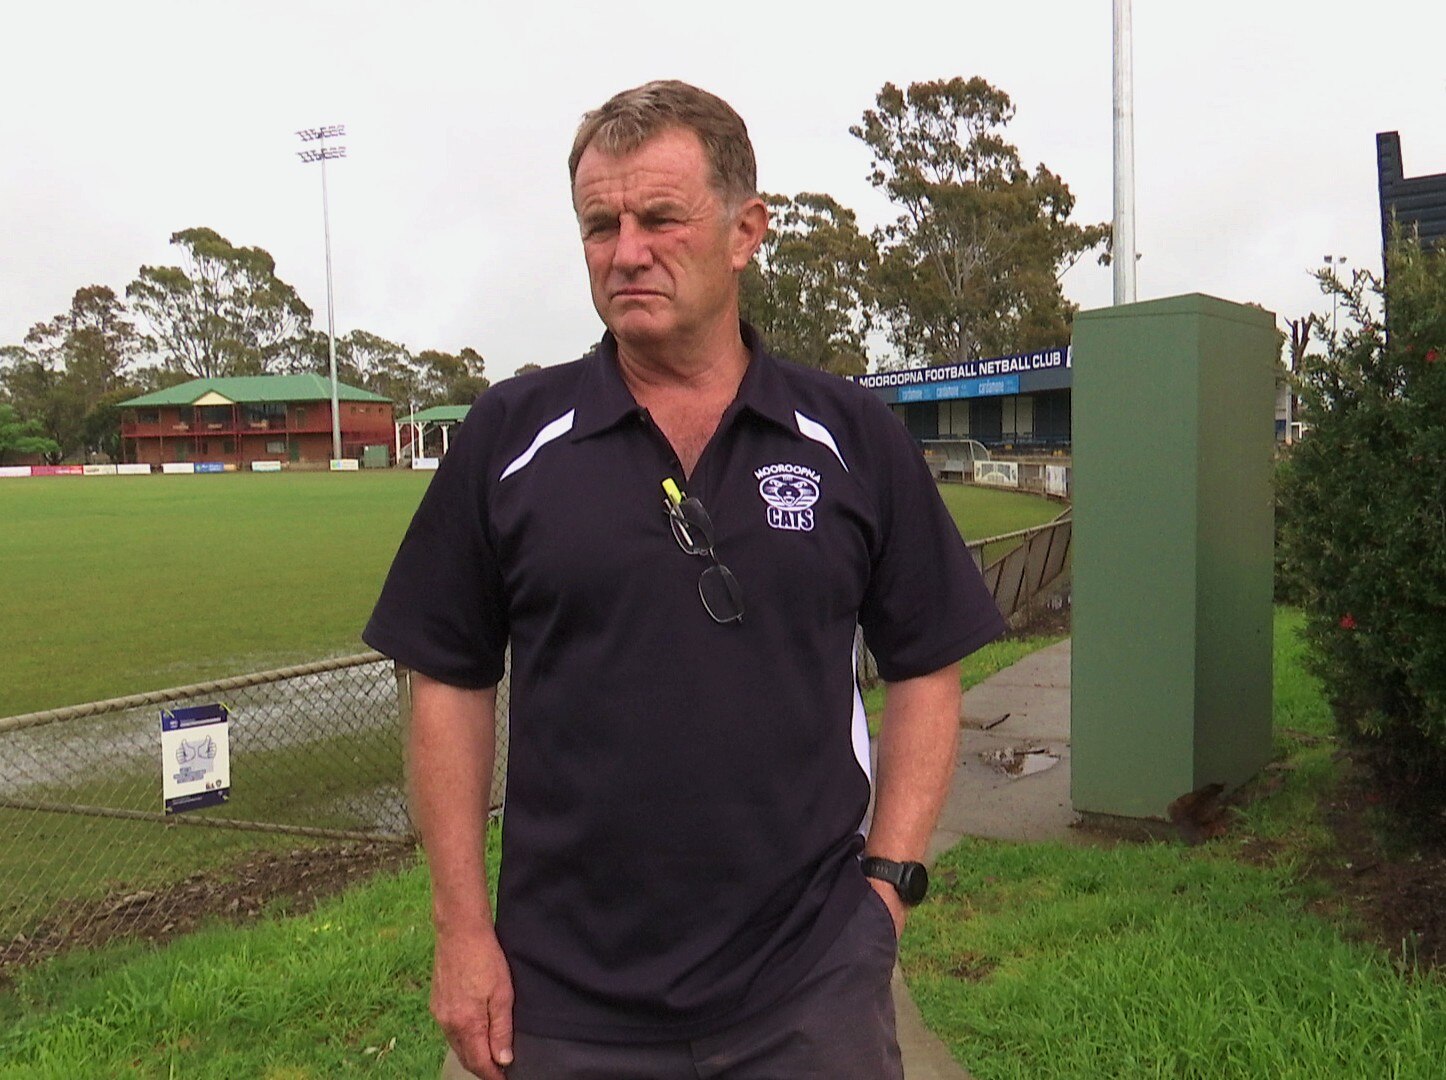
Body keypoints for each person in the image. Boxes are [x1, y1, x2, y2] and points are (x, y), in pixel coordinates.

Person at [363, 79, 1005, 1079]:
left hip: (809, 989)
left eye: (661, 217)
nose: (626, 251)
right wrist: (461, 932)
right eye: (599, 225)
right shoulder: (509, 438)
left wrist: (889, 887)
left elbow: (928, 664)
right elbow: (448, 680)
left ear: (747, 230)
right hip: (564, 999)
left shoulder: (851, 435)